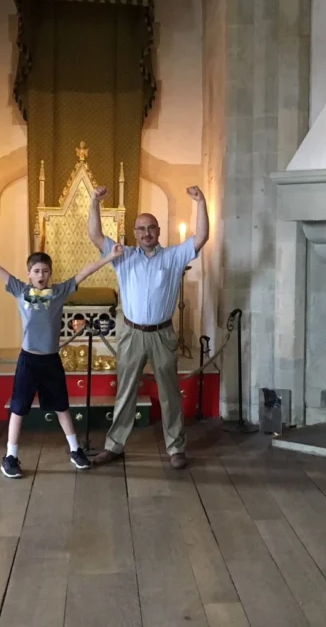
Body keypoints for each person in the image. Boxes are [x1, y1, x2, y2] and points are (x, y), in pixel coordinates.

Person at [0, 232, 123, 479]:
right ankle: (10, 456)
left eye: (45, 271)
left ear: (50, 273)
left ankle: (75, 450)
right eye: (36, 271)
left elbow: (85, 272)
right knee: (19, 407)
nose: (41, 276)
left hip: (51, 360)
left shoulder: (59, 292)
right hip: (29, 360)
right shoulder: (19, 289)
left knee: (62, 406)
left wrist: (110, 256)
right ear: (29, 273)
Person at [87, 185, 209, 470]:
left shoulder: (174, 257)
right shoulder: (123, 255)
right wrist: (94, 201)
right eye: (140, 229)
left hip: (162, 334)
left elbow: (202, 236)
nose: (146, 233)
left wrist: (201, 202)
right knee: (126, 391)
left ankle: (176, 448)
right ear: (135, 232)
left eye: (151, 228)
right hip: (131, 333)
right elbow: (94, 235)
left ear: (158, 231)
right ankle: (114, 445)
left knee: (169, 393)